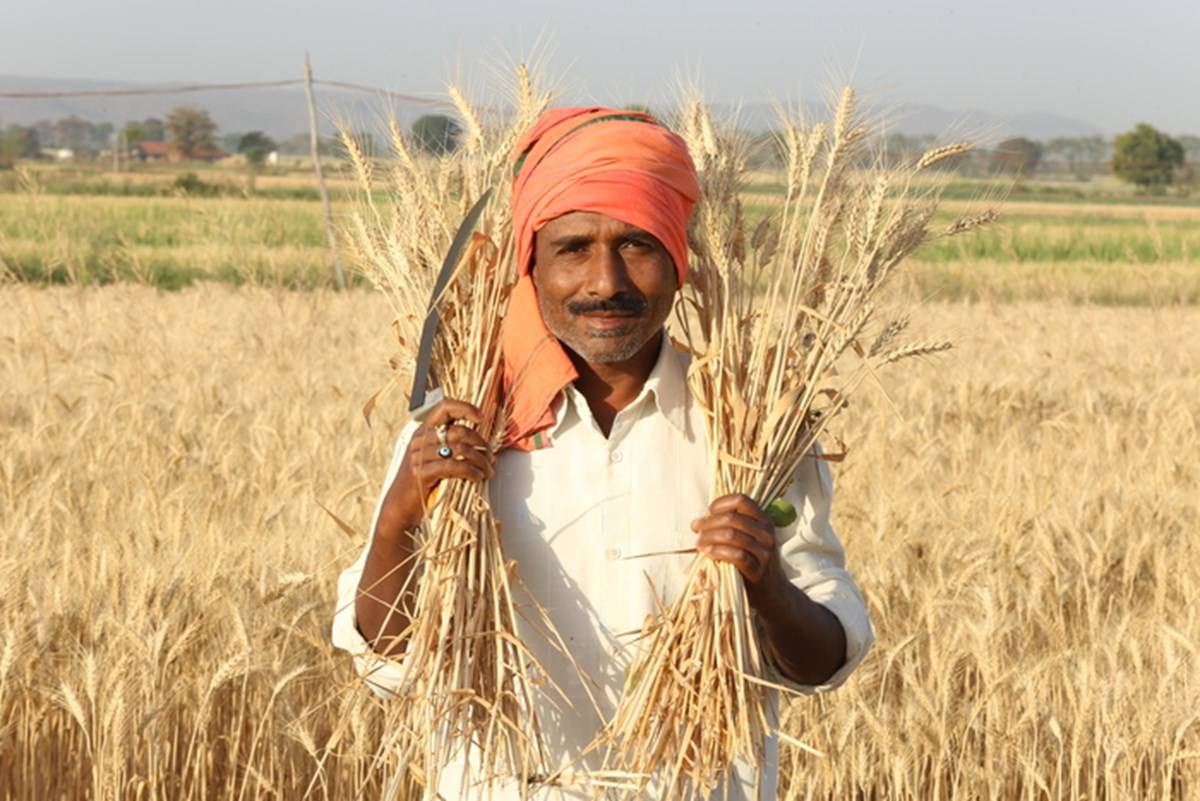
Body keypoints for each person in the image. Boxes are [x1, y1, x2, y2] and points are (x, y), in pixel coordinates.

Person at [332, 107, 873, 800]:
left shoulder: (753, 431)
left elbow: (824, 660)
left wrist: (768, 588)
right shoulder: (461, 424)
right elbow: (387, 656)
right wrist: (397, 520)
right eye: (573, 248)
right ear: (530, 266)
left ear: (678, 261)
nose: (605, 282)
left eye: (638, 245)